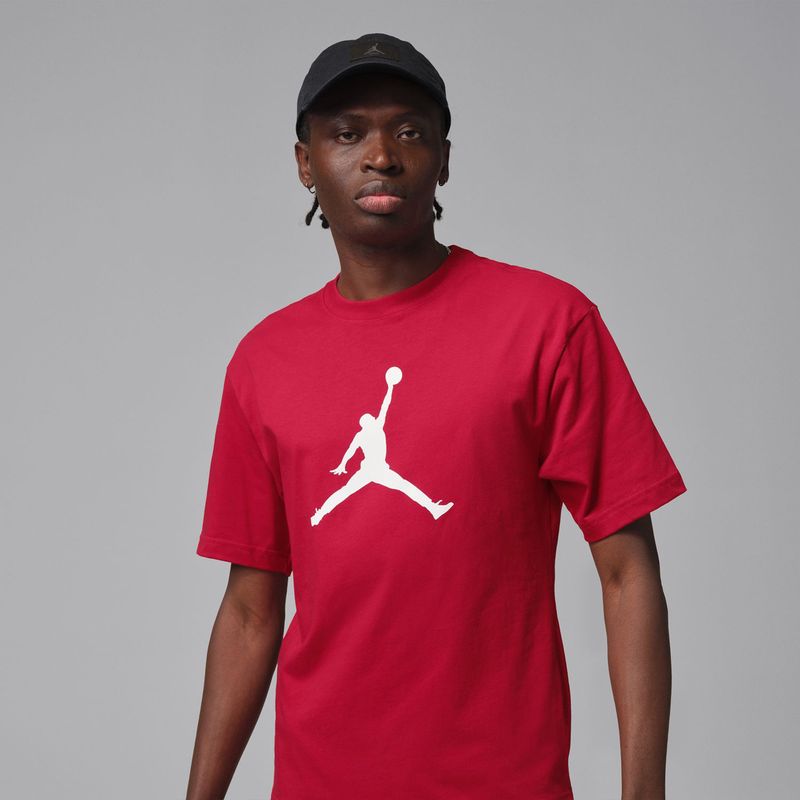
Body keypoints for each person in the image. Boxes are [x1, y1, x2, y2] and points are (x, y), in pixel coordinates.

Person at [186, 32, 687, 800]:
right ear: (305, 163)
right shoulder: (263, 362)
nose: (381, 155)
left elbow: (627, 574)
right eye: (347, 133)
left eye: (410, 131)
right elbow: (250, 613)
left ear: (444, 159)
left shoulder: (549, 325)